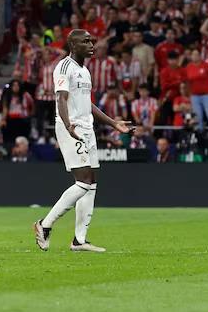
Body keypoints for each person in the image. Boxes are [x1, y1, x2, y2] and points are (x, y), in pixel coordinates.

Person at [33, 29, 135, 253]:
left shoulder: (85, 71)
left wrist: (113, 123)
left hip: (87, 129)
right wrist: (68, 124)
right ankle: (44, 224)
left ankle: (79, 240)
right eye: (86, 41)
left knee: (92, 183)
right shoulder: (64, 66)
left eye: (92, 41)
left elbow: (88, 104)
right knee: (84, 181)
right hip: (72, 128)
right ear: (73, 45)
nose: (91, 45)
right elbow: (60, 97)